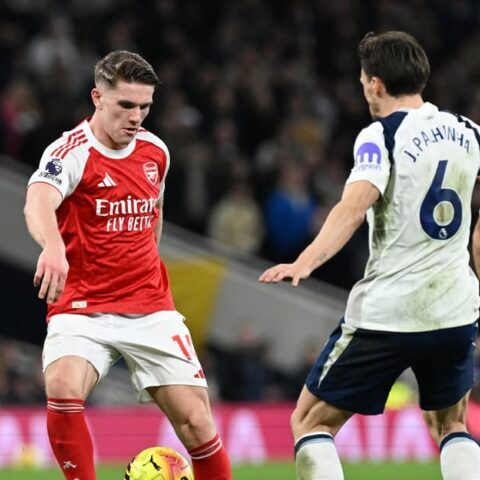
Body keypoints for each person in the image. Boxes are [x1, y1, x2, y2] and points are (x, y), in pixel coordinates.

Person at [259, 31, 480, 480]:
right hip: (455, 309)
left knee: (310, 422)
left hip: (389, 312)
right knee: (452, 424)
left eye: (362, 80)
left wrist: (306, 261)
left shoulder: (380, 134)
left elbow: (353, 207)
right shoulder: (470, 132)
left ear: (375, 83)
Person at [24, 50, 232, 480]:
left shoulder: (156, 152)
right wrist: (53, 246)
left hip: (149, 305)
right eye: (125, 105)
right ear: (97, 98)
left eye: (144, 106)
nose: (136, 117)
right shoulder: (72, 151)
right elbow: (38, 200)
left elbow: (154, 216)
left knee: (197, 422)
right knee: (62, 385)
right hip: (83, 304)